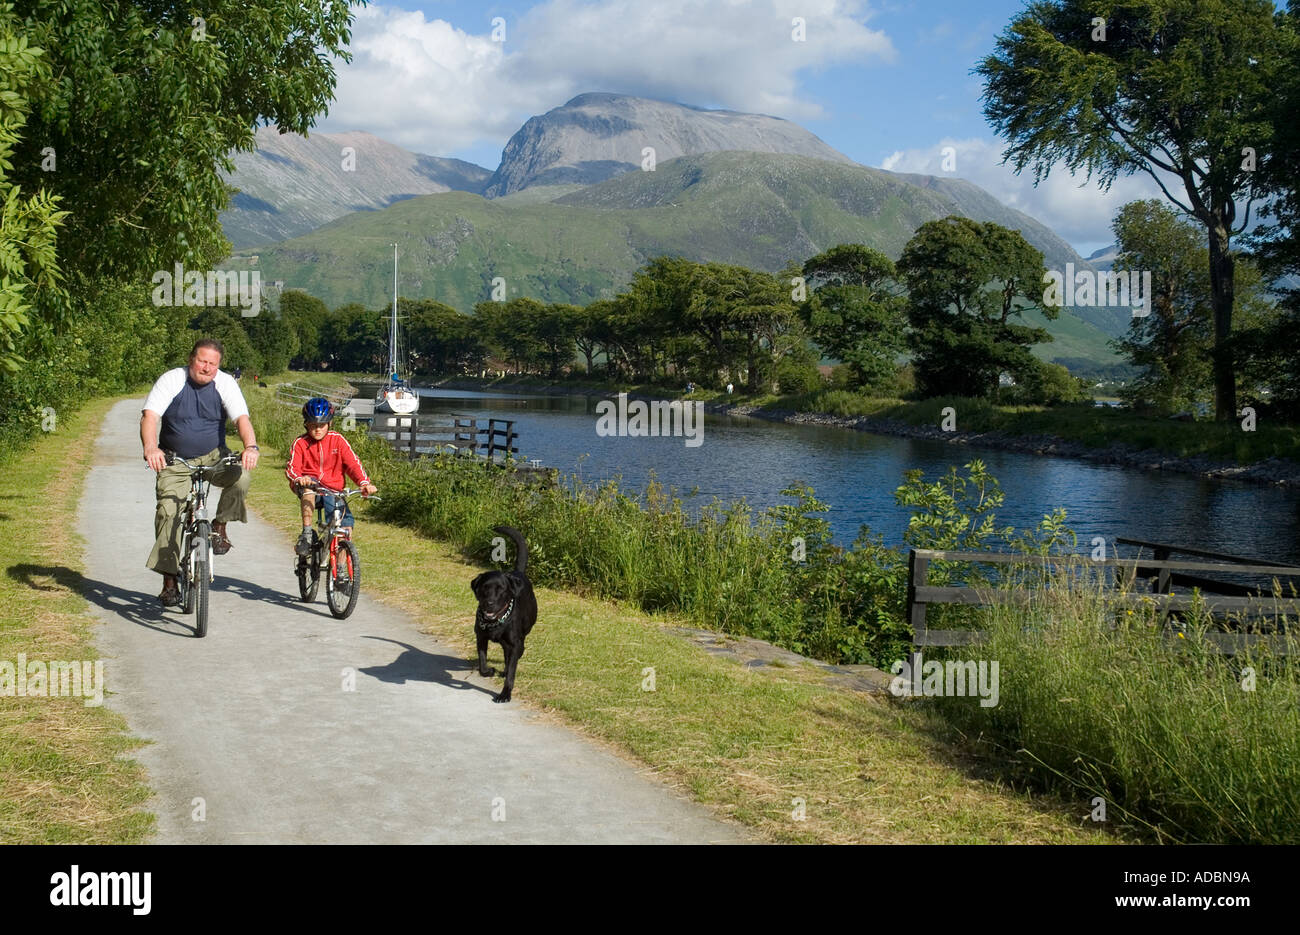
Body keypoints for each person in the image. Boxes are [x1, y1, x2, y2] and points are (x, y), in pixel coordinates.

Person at [141, 339, 260, 606]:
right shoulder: (172, 379)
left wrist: (250, 446)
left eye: (212, 363)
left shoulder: (225, 383)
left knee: (242, 476)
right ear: (191, 359)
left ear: (218, 366)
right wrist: (151, 448)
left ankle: (219, 526)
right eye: (202, 361)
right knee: (167, 514)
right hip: (176, 460)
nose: (206, 367)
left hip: (214, 455)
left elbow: (242, 419)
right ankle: (169, 580)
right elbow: (150, 416)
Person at [285, 398, 377, 556]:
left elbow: (353, 464)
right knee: (308, 489)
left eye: (322, 425)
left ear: (329, 424)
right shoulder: (300, 443)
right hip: (311, 488)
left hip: (334, 491)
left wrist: (364, 483)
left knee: (344, 530)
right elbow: (292, 468)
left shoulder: (338, 440)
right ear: (306, 424)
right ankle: (307, 533)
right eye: (313, 425)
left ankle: (340, 571)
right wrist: (299, 479)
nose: (317, 429)